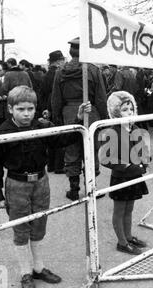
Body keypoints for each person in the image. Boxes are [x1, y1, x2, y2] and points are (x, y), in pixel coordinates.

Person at [0, 85, 91, 288]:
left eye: (30, 109)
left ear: (35, 109)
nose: (26, 114)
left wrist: (79, 119)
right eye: (21, 109)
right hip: (17, 185)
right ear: (10, 109)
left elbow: (62, 139)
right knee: (21, 228)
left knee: (40, 225)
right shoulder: (2, 132)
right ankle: (26, 272)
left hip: (41, 183)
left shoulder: (41, 127)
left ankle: (38, 268)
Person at [51, 37, 108, 200]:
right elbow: (101, 97)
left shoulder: (60, 71)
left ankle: (74, 189)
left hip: (69, 113)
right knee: (90, 150)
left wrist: (58, 119)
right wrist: (103, 119)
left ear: (71, 51)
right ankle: (92, 187)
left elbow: (56, 99)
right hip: (91, 112)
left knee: (71, 151)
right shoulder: (93, 70)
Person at [100, 91, 149, 255]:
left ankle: (128, 236)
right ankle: (121, 242)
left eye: (131, 109)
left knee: (129, 209)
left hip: (135, 174)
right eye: (124, 109)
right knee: (119, 210)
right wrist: (126, 166)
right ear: (115, 112)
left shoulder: (135, 128)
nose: (129, 113)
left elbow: (142, 148)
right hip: (121, 177)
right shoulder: (112, 132)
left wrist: (144, 160)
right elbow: (105, 158)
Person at [41, 50, 66, 174]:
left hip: (47, 108)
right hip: (55, 107)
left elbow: (43, 93)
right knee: (59, 137)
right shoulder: (58, 73)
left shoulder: (47, 74)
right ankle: (59, 166)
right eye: (62, 60)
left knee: (50, 137)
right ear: (58, 61)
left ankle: (50, 165)